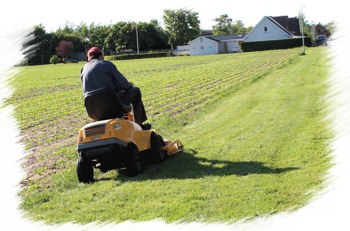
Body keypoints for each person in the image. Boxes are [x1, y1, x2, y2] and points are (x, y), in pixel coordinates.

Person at [80, 46, 150, 129]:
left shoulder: (83, 69)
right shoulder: (106, 64)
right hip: (113, 105)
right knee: (136, 91)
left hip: (93, 111)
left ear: (88, 58)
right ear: (101, 55)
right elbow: (124, 85)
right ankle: (139, 126)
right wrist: (129, 85)